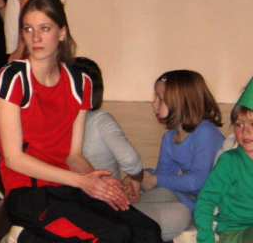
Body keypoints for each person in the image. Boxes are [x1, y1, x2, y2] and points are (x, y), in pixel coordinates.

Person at [0, 0, 161, 243]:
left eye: (45, 28)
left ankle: (29, 237)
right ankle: (25, 237)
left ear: (62, 33)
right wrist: (82, 181)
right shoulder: (13, 77)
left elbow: (73, 155)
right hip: (29, 192)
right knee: (115, 235)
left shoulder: (79, 82)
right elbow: (13, 158)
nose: (36, 38)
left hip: (68, 186)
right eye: (28, 29)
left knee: (147, 232)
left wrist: (102, 184)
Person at [133, 70, 226, 241]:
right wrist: (139, 177)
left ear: (183, 103)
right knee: (156, 194)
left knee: (168, 205)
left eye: (160, 99)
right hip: (194, 196)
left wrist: (154, 179)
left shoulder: (206, 132)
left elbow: (198, 181)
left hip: (214, 203)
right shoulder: (169, 137)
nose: (153, 104)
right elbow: (164, 177)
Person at [194, 81, 253, 243]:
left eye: (252, 124)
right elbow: (206, 200)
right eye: (238, 125)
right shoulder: (230, 161)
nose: (245, 131)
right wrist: (206, 237)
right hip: (235, 232)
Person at [74, 58, 144, 189]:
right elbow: (130, 159)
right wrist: (137, 178)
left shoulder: (49, 122)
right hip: (104, 196)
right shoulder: (99, 120)